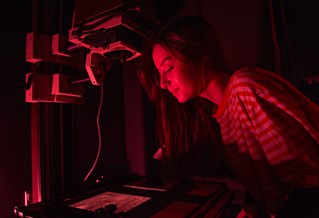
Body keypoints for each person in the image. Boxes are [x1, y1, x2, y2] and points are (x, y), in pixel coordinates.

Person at [138, 16, 319, 217]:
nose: (163, 83)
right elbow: (270, 181)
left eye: (168, 68)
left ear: (198, 55)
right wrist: (252, 208)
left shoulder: (246, 88)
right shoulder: (224, 113)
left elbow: (307, 183)